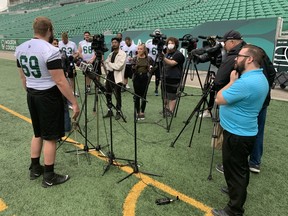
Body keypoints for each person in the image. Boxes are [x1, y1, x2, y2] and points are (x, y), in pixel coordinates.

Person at [15, 16, 80, 188]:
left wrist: (30, 91)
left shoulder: (20, 48)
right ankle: (49, 176)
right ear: (49, 30)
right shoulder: (50, 50)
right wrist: (74, 102)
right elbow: (60, 81)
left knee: (37, 133)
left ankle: (35, 168)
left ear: (34, 29)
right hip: (48, 96)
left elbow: (23, 77)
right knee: (50, 137)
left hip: (32, 93)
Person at [212, 45, 269, 216]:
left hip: (238, 134)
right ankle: (235, 192)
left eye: (239, 56)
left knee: (236, 171)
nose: (236, 59)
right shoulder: (259, 77)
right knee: (238, 168)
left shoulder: (246, 82)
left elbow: (219, 99)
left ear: (250, 59)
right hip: (243, 132)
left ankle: (234, 210)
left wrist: (231, 82)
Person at [214, 30, 247, 174]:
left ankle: (230, 165)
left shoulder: (236, 54)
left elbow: (219, 81)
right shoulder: (252, 50)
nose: (224, 46)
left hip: (234, 101)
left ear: (232, 42)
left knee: (232, 134)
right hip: (253, 103)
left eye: (225, 42)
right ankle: (254, 162)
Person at [103, 37, 126, 120]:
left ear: (119, 44)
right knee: (108, 94)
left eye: (115, 42)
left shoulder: (122, 54)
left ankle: (118, 112)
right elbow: (106, 64)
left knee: (117, 95)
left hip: (118, 77)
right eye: (112, 42)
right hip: (109, 76)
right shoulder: (110, 54)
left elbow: (119, 66)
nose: (114, 44)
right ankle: (110, 110)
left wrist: (110, 65)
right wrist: (111, 65)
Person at [161, 37, 185, 116]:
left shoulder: (179, 55)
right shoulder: (167, 54)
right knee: (164, 95)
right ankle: (166, 109)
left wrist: (163, 58)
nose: (170, 45)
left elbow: (172, 63)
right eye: (169, 43)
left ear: (176, 45)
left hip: (174, 78)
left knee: (172, 96)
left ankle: (171, 111)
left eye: (172, 43)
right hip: (165, 77)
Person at [131, 43, 154, 120]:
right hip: (137, 77)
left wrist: (151, 70)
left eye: (141, 49)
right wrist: (134, 66)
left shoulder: (149, 58)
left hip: (145, 77)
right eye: (138, 49)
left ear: (144, 50)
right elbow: (132, 69)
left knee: (144, 95)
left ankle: (142, 112)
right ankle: (137, 112)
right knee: (137, 96)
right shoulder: (135, 58)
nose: (139, 50)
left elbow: (155, 66)